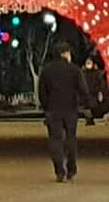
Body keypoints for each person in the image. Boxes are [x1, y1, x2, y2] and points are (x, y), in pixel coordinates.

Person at [36, 42, 86, 181]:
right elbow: (83, 90)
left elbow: (42, 92)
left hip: (53, 110)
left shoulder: (47, 70)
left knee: (55, 140)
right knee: (71, 139)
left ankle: (59, 170)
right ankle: (71, 169)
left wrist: (47, 107)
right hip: (70, 109)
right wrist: (84, 104)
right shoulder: (75, 70)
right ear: (64, 54)